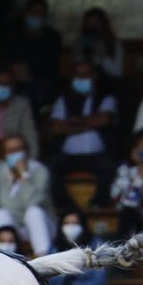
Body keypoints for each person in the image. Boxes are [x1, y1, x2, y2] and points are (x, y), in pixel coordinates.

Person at [48, 60, 118, 209]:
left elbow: (104, 119)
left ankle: (99, 204)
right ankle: (67, 207)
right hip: (68, 156)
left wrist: (73, 123)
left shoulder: (106, 98)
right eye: (78, 75)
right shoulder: (63, 100)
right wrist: (89, 123)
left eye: (86, 74)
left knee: (110, 166)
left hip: (97, 156)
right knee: (48, 168)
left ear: (94, 77)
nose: (82, 78)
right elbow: (55, 127)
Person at [0, 134, 52, 255]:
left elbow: (33, 201)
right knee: (1, 213)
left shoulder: (39, 170)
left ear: (26, 151)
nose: (15, 153)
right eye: (10, 150)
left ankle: (43, 257)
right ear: (4, 154)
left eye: (18, 149)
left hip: (42, 226)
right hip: (13, 229)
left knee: (33, 211)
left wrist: (24, 175)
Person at [48, 208, 116, 285]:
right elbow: (48, 277)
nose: (71, 227)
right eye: (67, 223)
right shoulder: (54, 247)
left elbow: (98, 280)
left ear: (83, 225)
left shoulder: (96, 245)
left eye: (75, 223)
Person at [2, 0, 63, 118]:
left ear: (45, 15)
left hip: (42, 83)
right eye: (33, 11)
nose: (36, 15)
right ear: (26, 13)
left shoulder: (52, 37)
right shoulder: (13, 36)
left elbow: (51, 65)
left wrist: (30, 73)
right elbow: (6, 60)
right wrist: (15, 70)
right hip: (15, 80)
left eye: (40, 12)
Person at [75, 7, 124, 80]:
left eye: (96, 24)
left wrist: (103, 55)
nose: (93, 28)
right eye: (90, 25)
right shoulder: (81, 43)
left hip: (109, 87)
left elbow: (117, 72)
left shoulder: (114, 44)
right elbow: (78, 73)